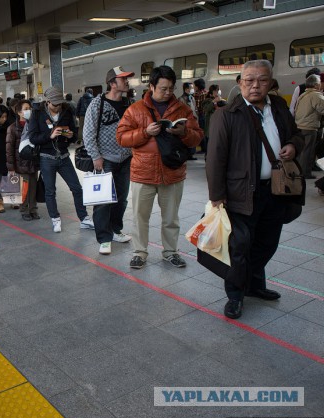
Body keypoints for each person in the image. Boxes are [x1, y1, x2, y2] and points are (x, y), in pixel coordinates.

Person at [207, 59, 304, 319]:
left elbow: (296, 134)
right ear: (239, 84)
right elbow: (215, 158)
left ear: (271, 83)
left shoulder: (280, 106)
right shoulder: (226, 114)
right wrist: (217, 196)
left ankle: (254, 285)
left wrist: (293, 146)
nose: (255, 86)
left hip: (275, 189)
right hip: (241, 192)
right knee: (240, 246)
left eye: (261, 80)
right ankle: (236, 295)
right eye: (249, 80)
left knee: (267, 241)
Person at [117, 65, 203, 269]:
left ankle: (171, 252)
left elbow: (197, 137)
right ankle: (139, 252)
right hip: (143, 173)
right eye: (163, 88)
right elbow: (121, 137)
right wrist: (145, 132)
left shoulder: (183, 109)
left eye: (171, 88)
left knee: (171, 218)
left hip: (172, 172)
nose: (168, 92)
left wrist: (183, 133)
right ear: (152, 86)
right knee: (140, 217)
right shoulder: (135, 109)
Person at [27, 85, 93, 233]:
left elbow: (75, 133)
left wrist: (71, 136)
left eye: (60, 103)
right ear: (47, 101)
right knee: (50, 191)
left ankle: (84, 219)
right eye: (54, 104)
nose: (57, 107)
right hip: (46, 157)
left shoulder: (67, 110)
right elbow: (33, 137)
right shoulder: (37, 114)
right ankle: (55, 219)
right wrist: (49, 135)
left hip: (63, 156)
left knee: (77, 188)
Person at [83, 66, 135, 255]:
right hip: (106, 159)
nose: (127, 82)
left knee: (121, 199)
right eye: (123, 79)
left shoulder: (129, 104)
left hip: (126, 158)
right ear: (112, 83)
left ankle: (115, 230)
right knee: (104, 201)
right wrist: (96, 156)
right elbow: (88, 133)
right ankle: (104, 238)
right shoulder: (97, 104)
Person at [6, 99, 39, 221]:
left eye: (29, 108)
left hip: (33, 162)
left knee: (33, 188)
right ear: (19, 112)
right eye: (25, 109)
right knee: (24, 188)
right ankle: (24, 210)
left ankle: (33, 209)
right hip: (20, 163)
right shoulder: (13, 128)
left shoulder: (34, 124)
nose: (28, 111)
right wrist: (11, 168)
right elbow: (9, 149)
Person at [294, 74, 324, 179]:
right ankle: (305, 173)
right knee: (308, 151)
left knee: (302, 151)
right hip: (309, 127)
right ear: (316, 85)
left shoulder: (303, 94)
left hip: (300, 125)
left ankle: (299, 171)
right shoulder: (316, 95)